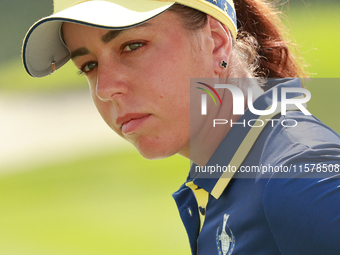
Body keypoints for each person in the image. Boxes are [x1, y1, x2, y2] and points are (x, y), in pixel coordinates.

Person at [22, 0, 340, 254]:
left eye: (132, 46)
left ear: (215, 42)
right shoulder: (224, 180)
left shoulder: (297, 175)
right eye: (89, 66)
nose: (105, 88)